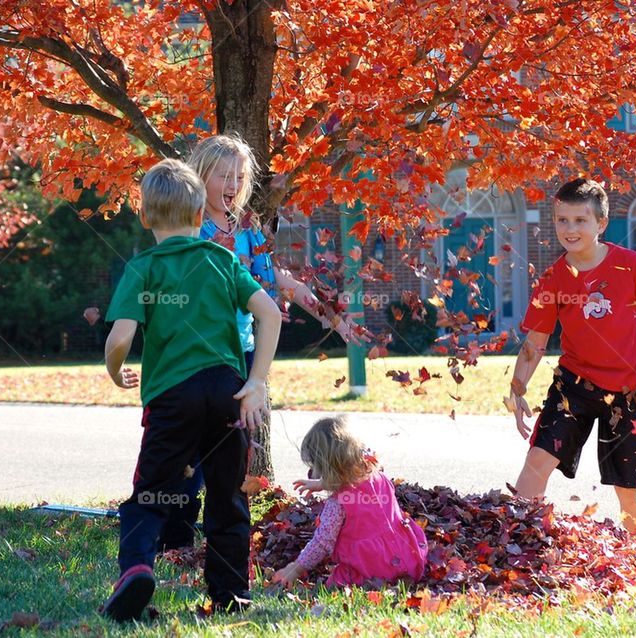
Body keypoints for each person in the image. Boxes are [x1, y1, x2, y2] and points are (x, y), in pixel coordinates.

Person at [157, 133, 369, 552]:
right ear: (201, 175)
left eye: (239, 176)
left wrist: (334, 319)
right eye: (223, 175)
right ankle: (174, 536)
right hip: (196, 354)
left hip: (242, 354)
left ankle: (223, 535)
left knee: (229, 448)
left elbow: (277, 282)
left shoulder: (247, 228)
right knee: (187, 448)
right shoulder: (189, 227)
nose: (232, 184)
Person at [100, 158, 282, 621]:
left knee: (152, 493)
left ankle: (138, 568)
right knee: (227, 496)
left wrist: (115, 370)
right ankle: (230, 596)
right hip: (227, 393)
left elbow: (121, 337)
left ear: (144, 216)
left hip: (172, 399)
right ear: (201, 214)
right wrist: (256, 381)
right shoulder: (222, 260)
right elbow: (271, 314)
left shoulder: (142, 268)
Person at [506, 178, 636, 538]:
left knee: (631, 491)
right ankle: (518, 540)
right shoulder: (553, 279)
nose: (570, 229)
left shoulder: (630, 266)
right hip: (575, 385)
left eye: (580, 220)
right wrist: (518, 388)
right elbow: (535, 343)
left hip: (630, 391)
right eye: (562, 220)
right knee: (537, 460)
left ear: (601, 224)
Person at [270, 416, 428, 588]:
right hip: (407, 558)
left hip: (372, 571)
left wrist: (295, 569)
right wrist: (322, 484)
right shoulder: (378, 477)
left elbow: (322, 543)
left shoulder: (337, 505)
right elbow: (353, 483)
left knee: (334, 584)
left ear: (326, 467)